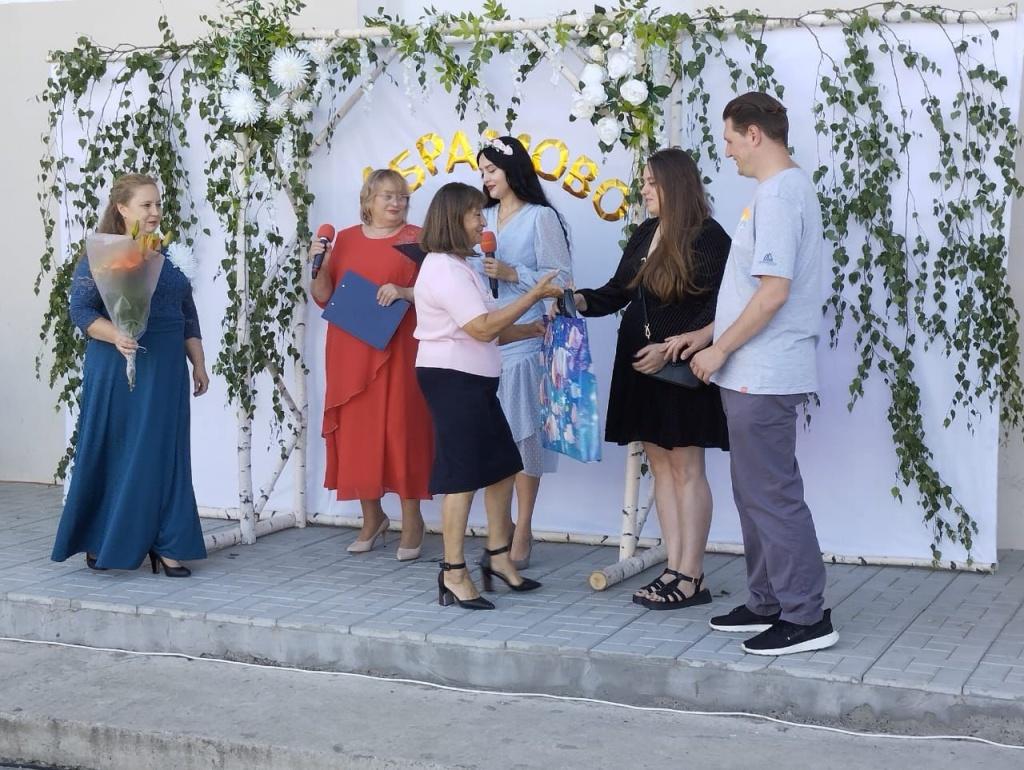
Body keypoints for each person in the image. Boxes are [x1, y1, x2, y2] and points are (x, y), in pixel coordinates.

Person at [692, 92, 839, 655]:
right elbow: (753, 291)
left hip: (764, 371)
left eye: (730, 139)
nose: (727, 151)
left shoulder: (779, 195)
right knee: (754, 491)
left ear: (754, 134)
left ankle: (805, 616)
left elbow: (774, 294)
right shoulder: (778, 191)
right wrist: (708, 337)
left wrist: (719, 350)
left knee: (771, 493)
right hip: (752, 369)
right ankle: (767, 601)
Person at [574, 148, 731, 610]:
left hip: (680, 369)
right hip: (641, 366)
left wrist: (671, 348)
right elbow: (618, 291)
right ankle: (673, 568)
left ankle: (691, 575)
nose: (642, 189)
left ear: (674, 185)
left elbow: (721, 308)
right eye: (643, 181)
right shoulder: (646, 231)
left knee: (687, 469)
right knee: (661, 468)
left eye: (650, 181)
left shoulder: (709, 237)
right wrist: (575, 301)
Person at [414, 182, 564, 610]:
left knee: (503, 465)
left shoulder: (463, 265)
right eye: (476, 214)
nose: (484, 222)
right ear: (453, 219)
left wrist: (530, 328)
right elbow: (480, 328)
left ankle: (497, 557)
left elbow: (487, 329)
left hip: (475, 379)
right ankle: (453, 572)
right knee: (462, 477)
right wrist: (533, 295)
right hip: (452, 379)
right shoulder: (443, 269)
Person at [52, 173, 208, 577]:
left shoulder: (169, 254)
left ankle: (168, 543)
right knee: (115, 448)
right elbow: (80, 310)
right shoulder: (103, 254)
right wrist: (116, 334)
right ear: (122, 209)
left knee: (165, 454)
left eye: (158, 204)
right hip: (115, 365)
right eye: (146, 205)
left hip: (167, 368)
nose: (155, 212)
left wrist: (198, 361)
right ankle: (102, 537)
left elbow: (186, 312)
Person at [309, 169, 433, 561]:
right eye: (388, 196)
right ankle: (372, 518)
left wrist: (405, 291)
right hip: (350, 349)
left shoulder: (418, 240)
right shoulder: (343, 240)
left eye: (402, 197)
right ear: (368, 200)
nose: (397, 203)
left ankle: (412, 521)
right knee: (357, 432)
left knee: (403, 430)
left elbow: (437, 292)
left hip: (400, 350)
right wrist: (318, 265)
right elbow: (323, 295)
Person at [476, 136, 573, 569]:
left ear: (511, 170)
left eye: (491, 170)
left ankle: (525, 528)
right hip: (486, 337)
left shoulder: (540, 217)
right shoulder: (482, 217)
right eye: (481, 172)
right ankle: (501, 526)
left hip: (528, 339)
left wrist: (514, 272)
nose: (486, 178)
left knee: (524, 434)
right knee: (492, 437)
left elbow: (562, 279)